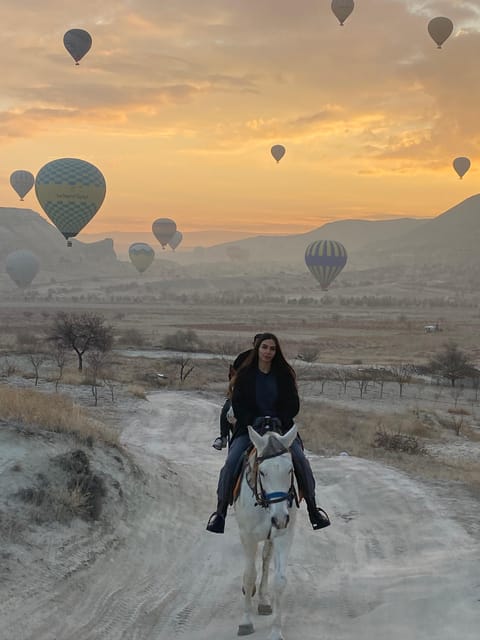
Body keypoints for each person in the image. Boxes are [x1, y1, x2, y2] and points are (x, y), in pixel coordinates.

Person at [206, 332, 331, 534]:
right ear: (258, 349)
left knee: (300, 460)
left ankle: (313, 509)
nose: (268, 352)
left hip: (279, 429)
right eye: (265, 347)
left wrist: (278, 419)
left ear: (276, 351)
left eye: (272, 348)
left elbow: (293, 404)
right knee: (231, 462)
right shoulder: (246, 375)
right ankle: (220, 513)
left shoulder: (284, 375)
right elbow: (238, 404)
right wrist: (252, 421)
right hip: (250, 430)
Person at [212, 334, 263, 450]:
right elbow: (233, 376)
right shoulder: (243, 358)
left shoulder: (274, 363)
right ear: (254, 344)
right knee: (226, 408)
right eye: (259, 345)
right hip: (242, 393)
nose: (263, 349)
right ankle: (223, 437)